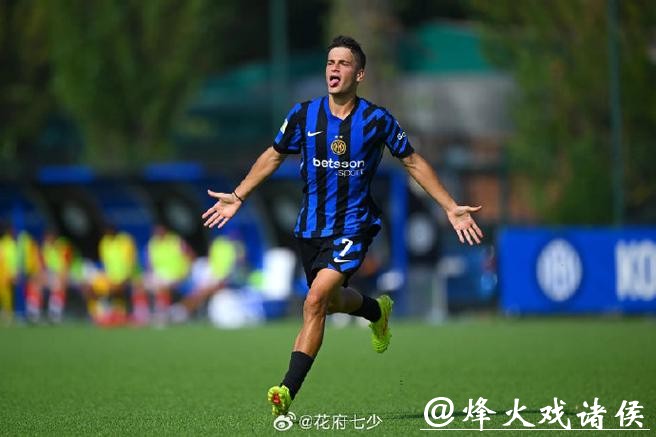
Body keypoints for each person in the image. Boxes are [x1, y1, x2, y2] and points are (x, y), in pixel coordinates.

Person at [201, 35, 484, 416]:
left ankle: (286, 391)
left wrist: (450, 206)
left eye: (344, 63)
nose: (334, 69)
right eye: (330, 62)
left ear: (359, 74)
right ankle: (376, 312)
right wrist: (239, 195)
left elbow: (413, 162)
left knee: (315, 300)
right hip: (310, 230)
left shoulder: (377, 120)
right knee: (330, 301)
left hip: (354, 227)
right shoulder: (304, 115)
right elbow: (273, 156)